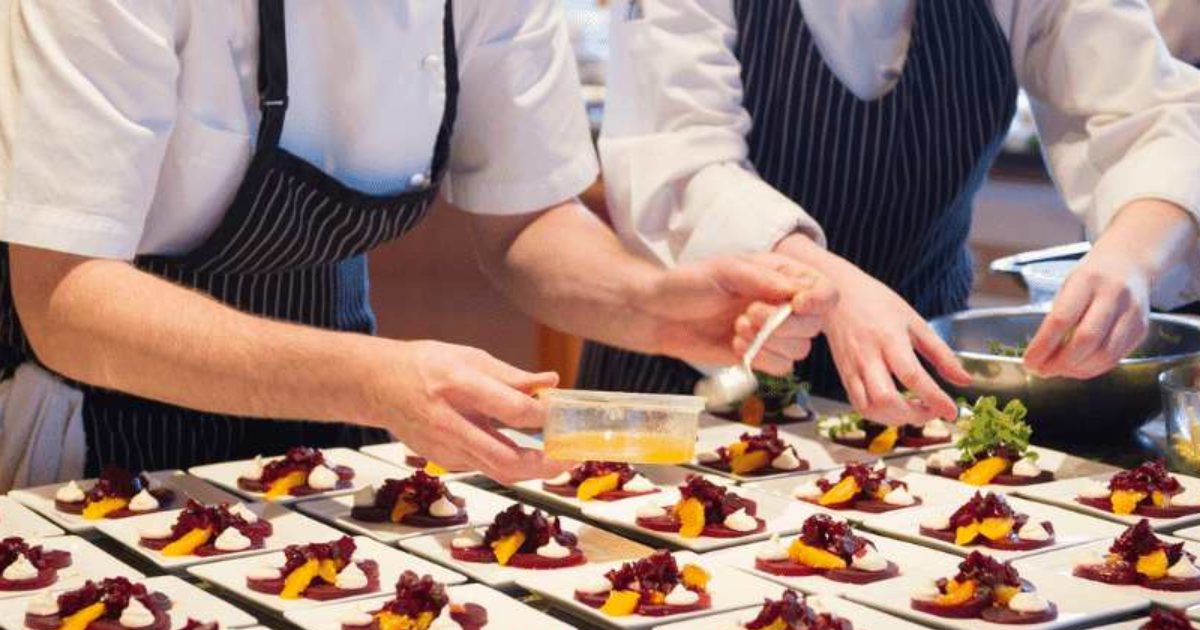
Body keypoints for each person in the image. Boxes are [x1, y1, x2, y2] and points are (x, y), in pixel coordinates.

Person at [0, 0, 834, 489]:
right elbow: (64, 297)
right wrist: (371, 381)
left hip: (331, 439)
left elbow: (527, 221)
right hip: (95, 438)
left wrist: (651, 304)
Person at [583, 0, 1200, 424]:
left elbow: (1150, 117)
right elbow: (680, 162)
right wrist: (830, 288)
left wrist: (1130, 260)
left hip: (911, 398)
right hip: (686, 386)